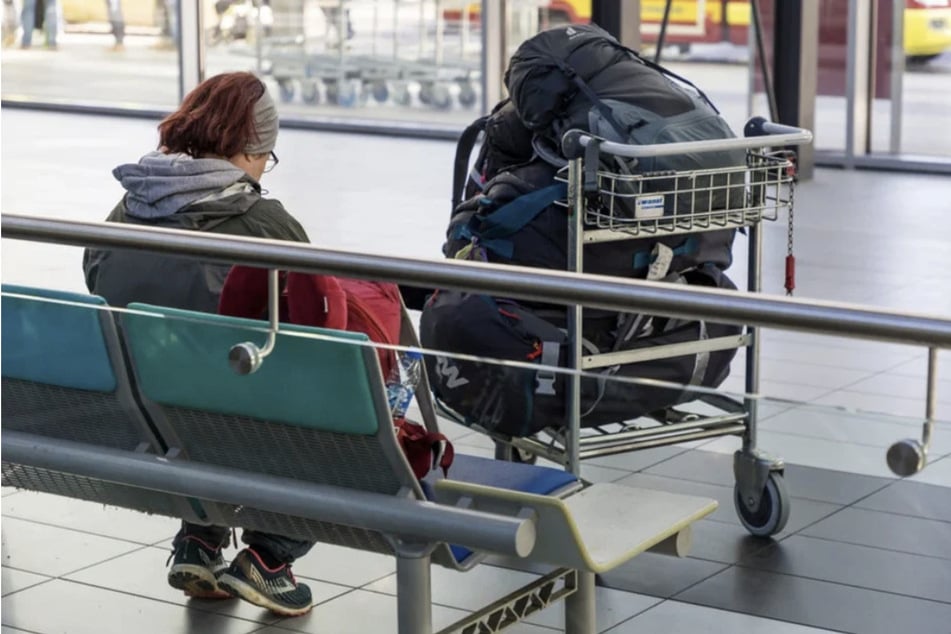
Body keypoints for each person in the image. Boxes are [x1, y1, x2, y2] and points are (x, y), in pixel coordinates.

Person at [82, 72, 315, 617]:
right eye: (264, 157)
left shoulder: (124, 213)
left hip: (144, 419)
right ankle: (270, 557)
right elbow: (314, 328)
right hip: (241, 421)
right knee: (298, 390)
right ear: (247, 150)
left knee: (190, 383)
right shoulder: (265, 224)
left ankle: (200, 539)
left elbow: (99, 285)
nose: (262, 172)